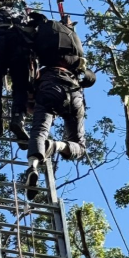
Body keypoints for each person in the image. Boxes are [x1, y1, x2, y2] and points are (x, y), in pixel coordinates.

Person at [25, 15, 96, 199]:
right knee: (80, 148)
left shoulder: (44, 55)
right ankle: (56, 145)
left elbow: (31, 73)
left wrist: (30, 100)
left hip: (51, 86)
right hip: (75, 92)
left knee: (39, 129)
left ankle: (33, 165)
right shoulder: (74, 48)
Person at [0, 3, 36, 142]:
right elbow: (32, 33)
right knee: (21, 86)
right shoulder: (20, 16)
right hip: (18, 45)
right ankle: (17, 119)